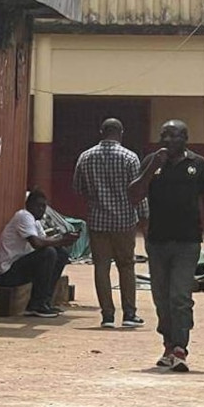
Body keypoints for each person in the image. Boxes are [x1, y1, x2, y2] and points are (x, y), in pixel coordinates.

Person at [128, 120, 204, 372]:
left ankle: (180, 347)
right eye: (163, 136)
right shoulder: (151, 162)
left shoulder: (198, 165)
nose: (167, 141)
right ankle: (168, 344)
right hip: (157, 241)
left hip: (188, 241)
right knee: (161, 298)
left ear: (185, 139)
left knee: (180, 296)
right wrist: (152, 168)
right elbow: (133, 195)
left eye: (173, 136)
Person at [73, 118, 148, 329]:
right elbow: (138, 193)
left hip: (97, 221)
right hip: (124, 221)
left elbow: (78, 188)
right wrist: (144, 219)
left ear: (101, 132)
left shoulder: (85, 157)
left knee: (101, 268)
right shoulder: (130, 158)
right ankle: (129, 314)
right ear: (121, 132)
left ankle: (107, 315)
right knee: (126, 266)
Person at [0, 189, 79, 318]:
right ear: (28, 205)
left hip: (20, 267)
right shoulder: (23, 216)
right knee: (48, 253)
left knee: (61, 254)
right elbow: (37, 244)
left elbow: (46, 241)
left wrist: (64, 240)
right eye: (38, 206)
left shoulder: (36, 222)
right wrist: (61, 240)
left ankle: (45, 302)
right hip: (6, 273)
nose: (41, 210)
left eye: (44, 206)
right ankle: (36, 305)